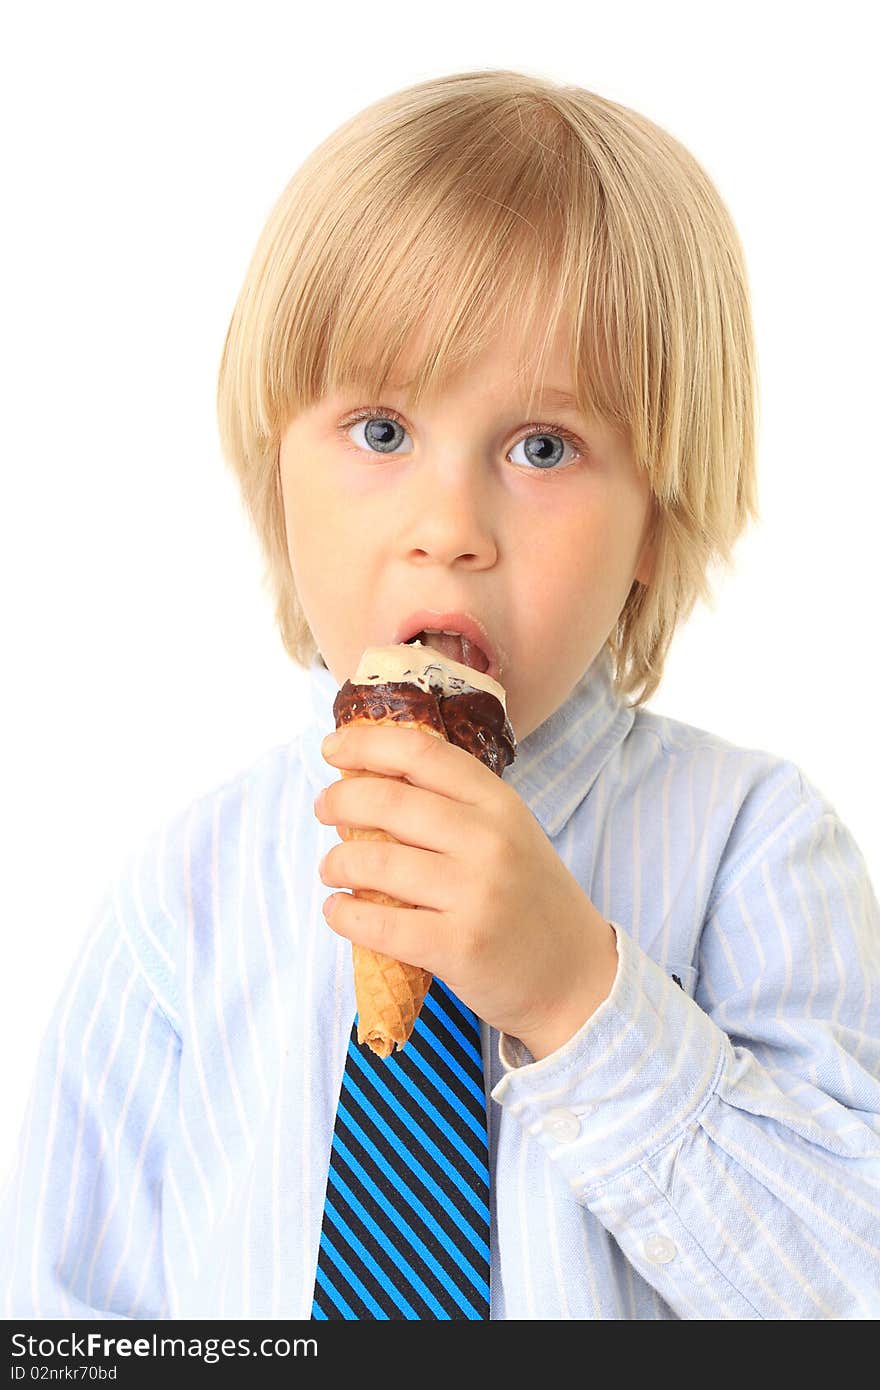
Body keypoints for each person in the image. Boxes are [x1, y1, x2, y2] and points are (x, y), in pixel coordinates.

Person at [3, 67, 879, 1321]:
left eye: (541, 448)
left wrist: (577, 995)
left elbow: (848, 1291)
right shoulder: (183, 901)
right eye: (379, 432)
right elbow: (62, 1310)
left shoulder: (755, 848)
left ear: (653, 518)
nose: (447, 526)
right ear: (277, 469)